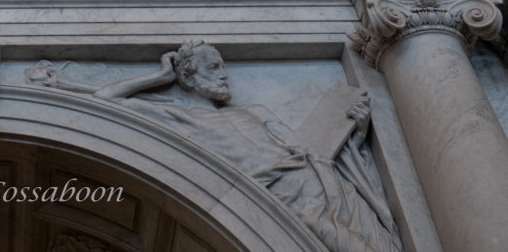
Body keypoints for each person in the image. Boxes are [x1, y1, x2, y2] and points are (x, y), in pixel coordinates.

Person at [28, 41, 401, 252]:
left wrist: (354, 138)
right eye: (213, 68)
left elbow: (312, 151)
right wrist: (159, 77)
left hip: (320, 189)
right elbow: (105, 98)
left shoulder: (254, 111)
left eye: (223, 66)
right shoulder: (179, 117)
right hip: (280, 202)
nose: (224, 75)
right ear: (186, 77)